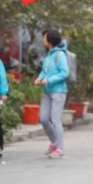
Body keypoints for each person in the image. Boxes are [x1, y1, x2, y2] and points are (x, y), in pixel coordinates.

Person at [35, 29, 69, 159]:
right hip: (47, 91)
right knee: (43, 118)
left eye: (44, 38)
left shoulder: (59, 55)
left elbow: (64, 72)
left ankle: (60, 148)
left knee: (55, 119)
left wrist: (48, 80)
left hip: (58, 91)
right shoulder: (48, 55)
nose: (43, 40)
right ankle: (54, 142)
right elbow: (44, 71)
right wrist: (40, 78)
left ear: (50, 40)